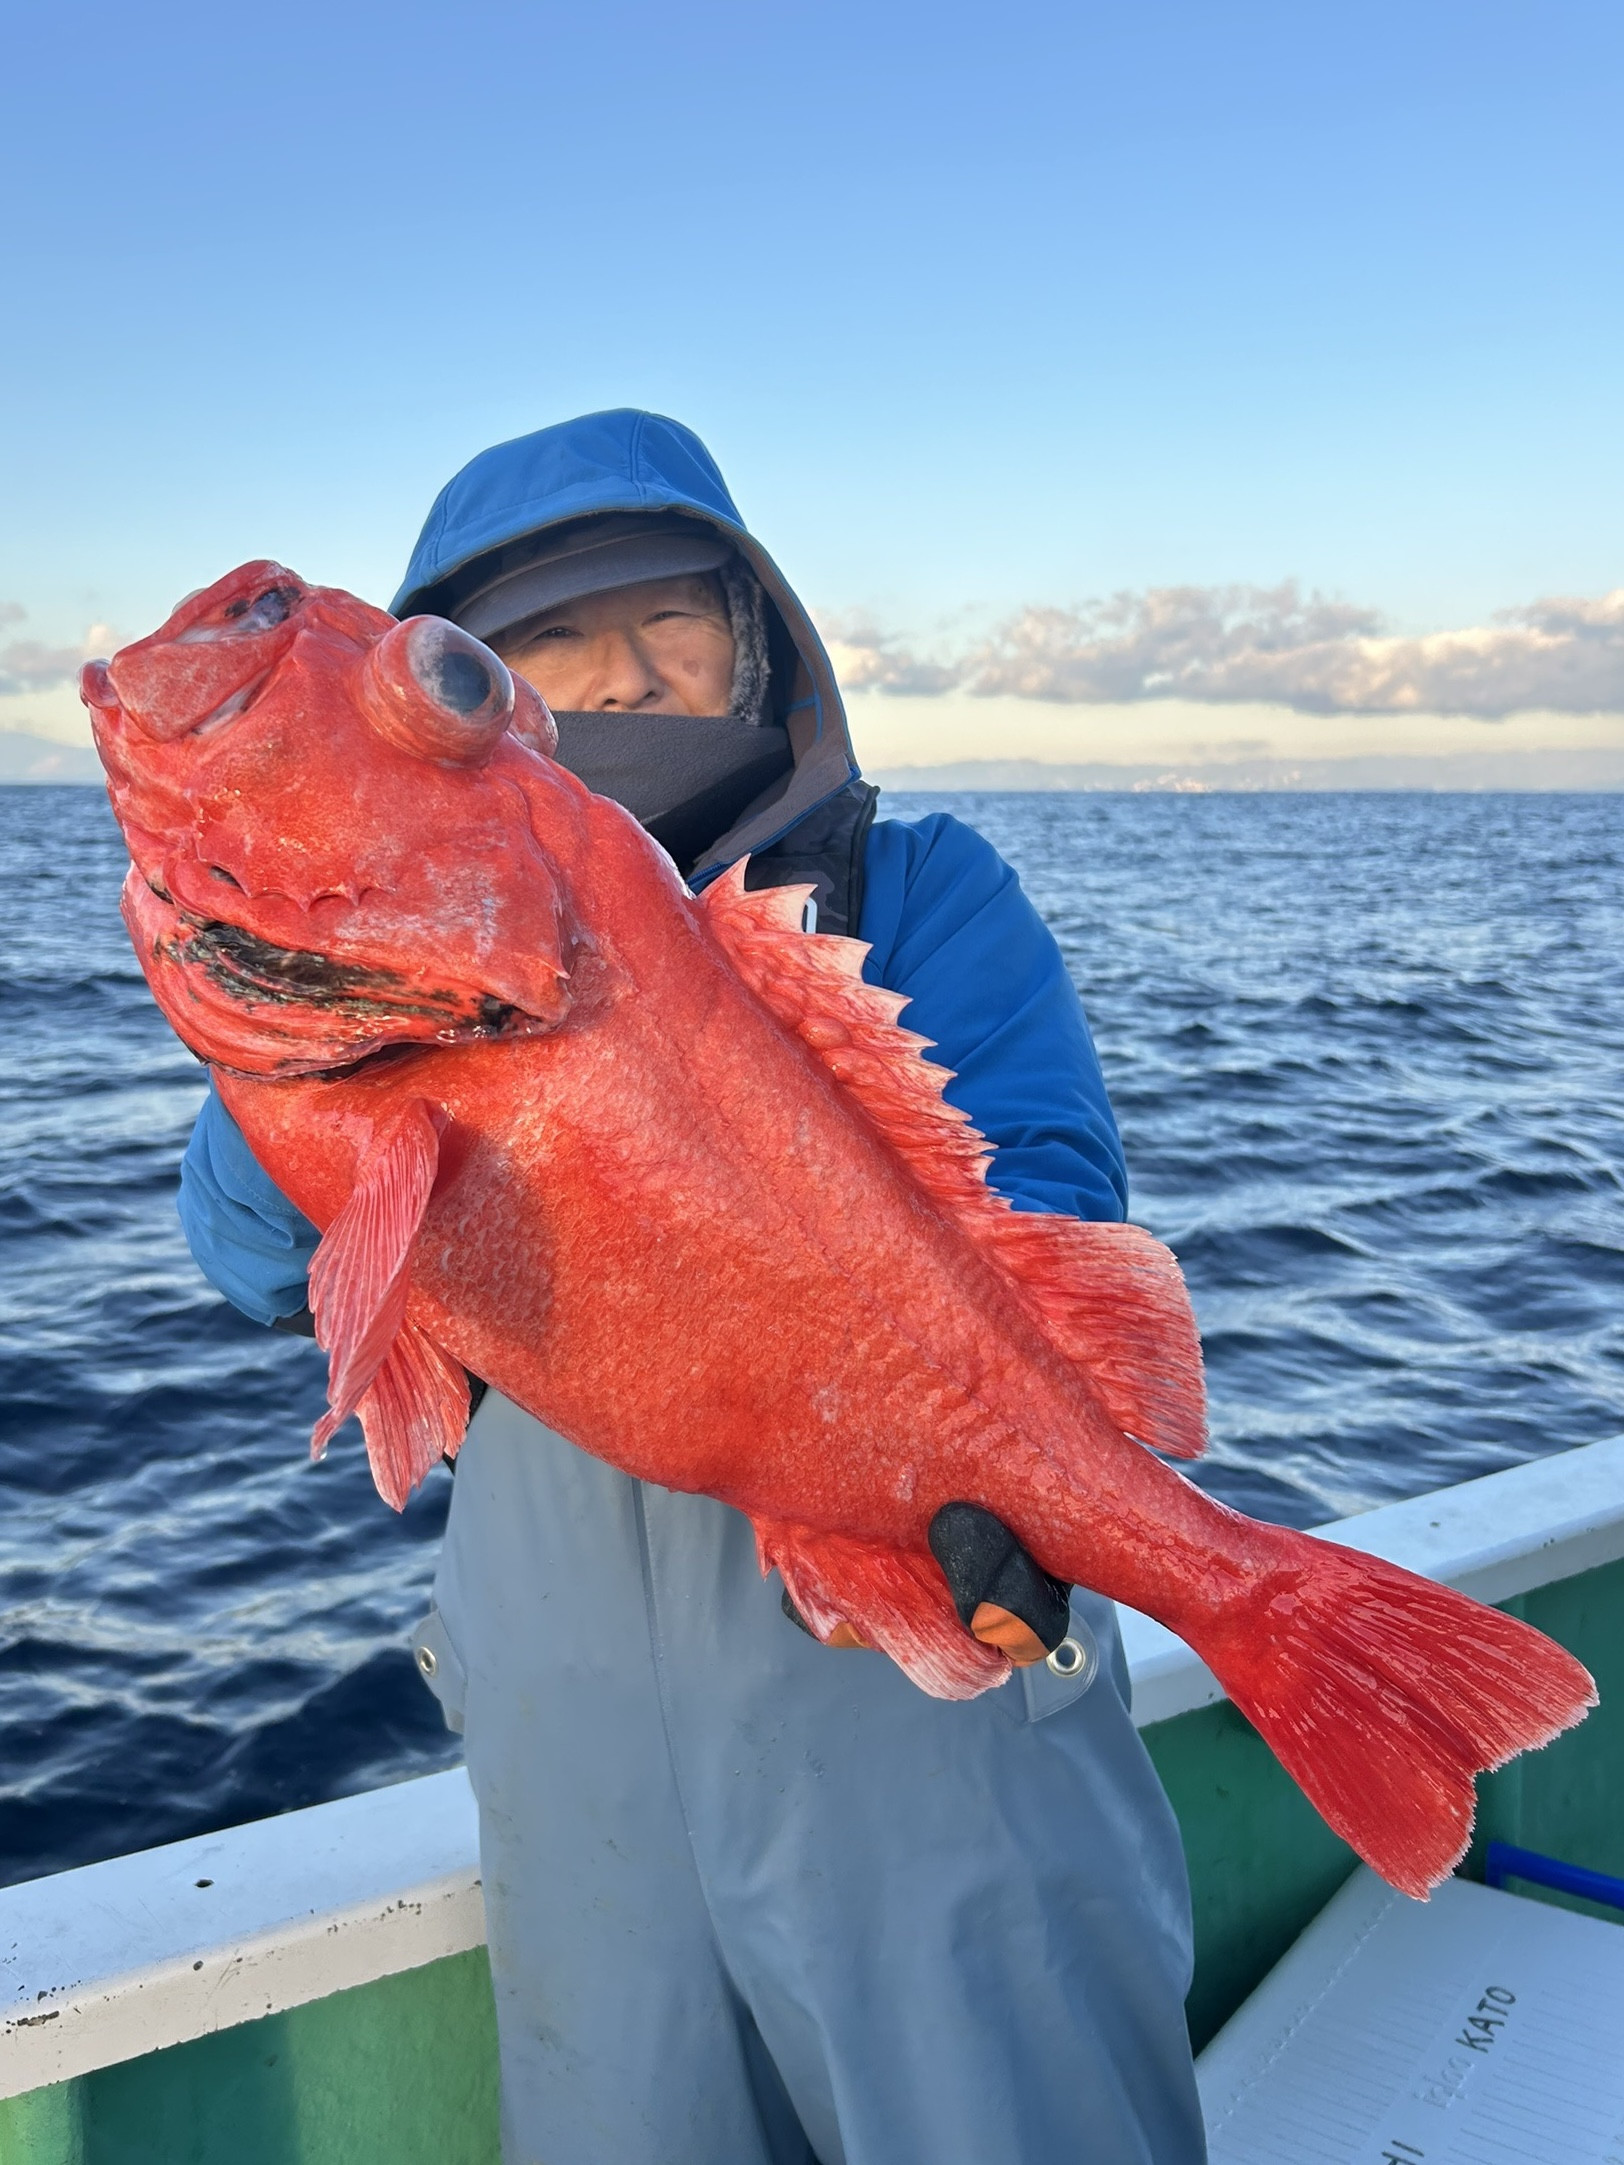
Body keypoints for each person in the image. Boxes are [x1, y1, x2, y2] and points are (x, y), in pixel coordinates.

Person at [177, 409, 1207, 2164]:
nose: (627, 674)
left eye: (670, 619)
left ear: (757, 641)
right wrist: (297, 1005)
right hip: (573, 1730)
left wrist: (1016, 1460)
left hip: (918, 1665)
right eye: (552, 641)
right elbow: (259, 1264)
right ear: (462, 697)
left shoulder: (922, 888)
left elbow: (1046, 1174)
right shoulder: (371, 945)